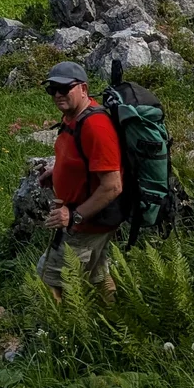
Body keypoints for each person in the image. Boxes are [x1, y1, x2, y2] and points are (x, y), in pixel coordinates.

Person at [36, 60, 124, 301]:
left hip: (86, 222)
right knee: (97, 273)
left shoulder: (96, 126)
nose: (57, 94)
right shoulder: (74, 117)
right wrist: (58, 170)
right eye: (52, 89)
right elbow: (82, 159)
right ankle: (113, 315)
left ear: (83, 89)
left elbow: (113, 185)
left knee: (50, 278)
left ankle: (61, 331)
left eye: (64, 89)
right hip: (89, 220)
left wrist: (73, 215)